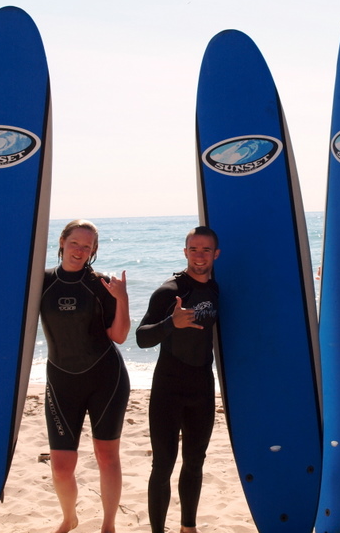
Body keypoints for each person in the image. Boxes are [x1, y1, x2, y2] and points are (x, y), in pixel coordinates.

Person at [39, 219, 131, 533]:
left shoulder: (101, 284)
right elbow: (1, 312)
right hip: (61, 381)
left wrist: (122, 298)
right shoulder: (41, 282)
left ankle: (108, 525)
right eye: (75, 243)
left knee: (107, 456)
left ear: (93, 250)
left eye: (87, 246)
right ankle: (70, 518)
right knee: (61, 466)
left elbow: (119, 336)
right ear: (62, 242)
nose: (79, 251)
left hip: (106, 379)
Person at [136, 226, 221, 533]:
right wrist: (171, 323)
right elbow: (141, 338)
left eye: (206, 250)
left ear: (216, 254)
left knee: (195, 461)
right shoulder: (169, 292)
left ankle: (188, 527)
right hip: (168, 389)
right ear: (185, 252)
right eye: (193, 249)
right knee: (163, 464)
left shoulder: (217, 290)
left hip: (202, 387)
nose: (199, 256)